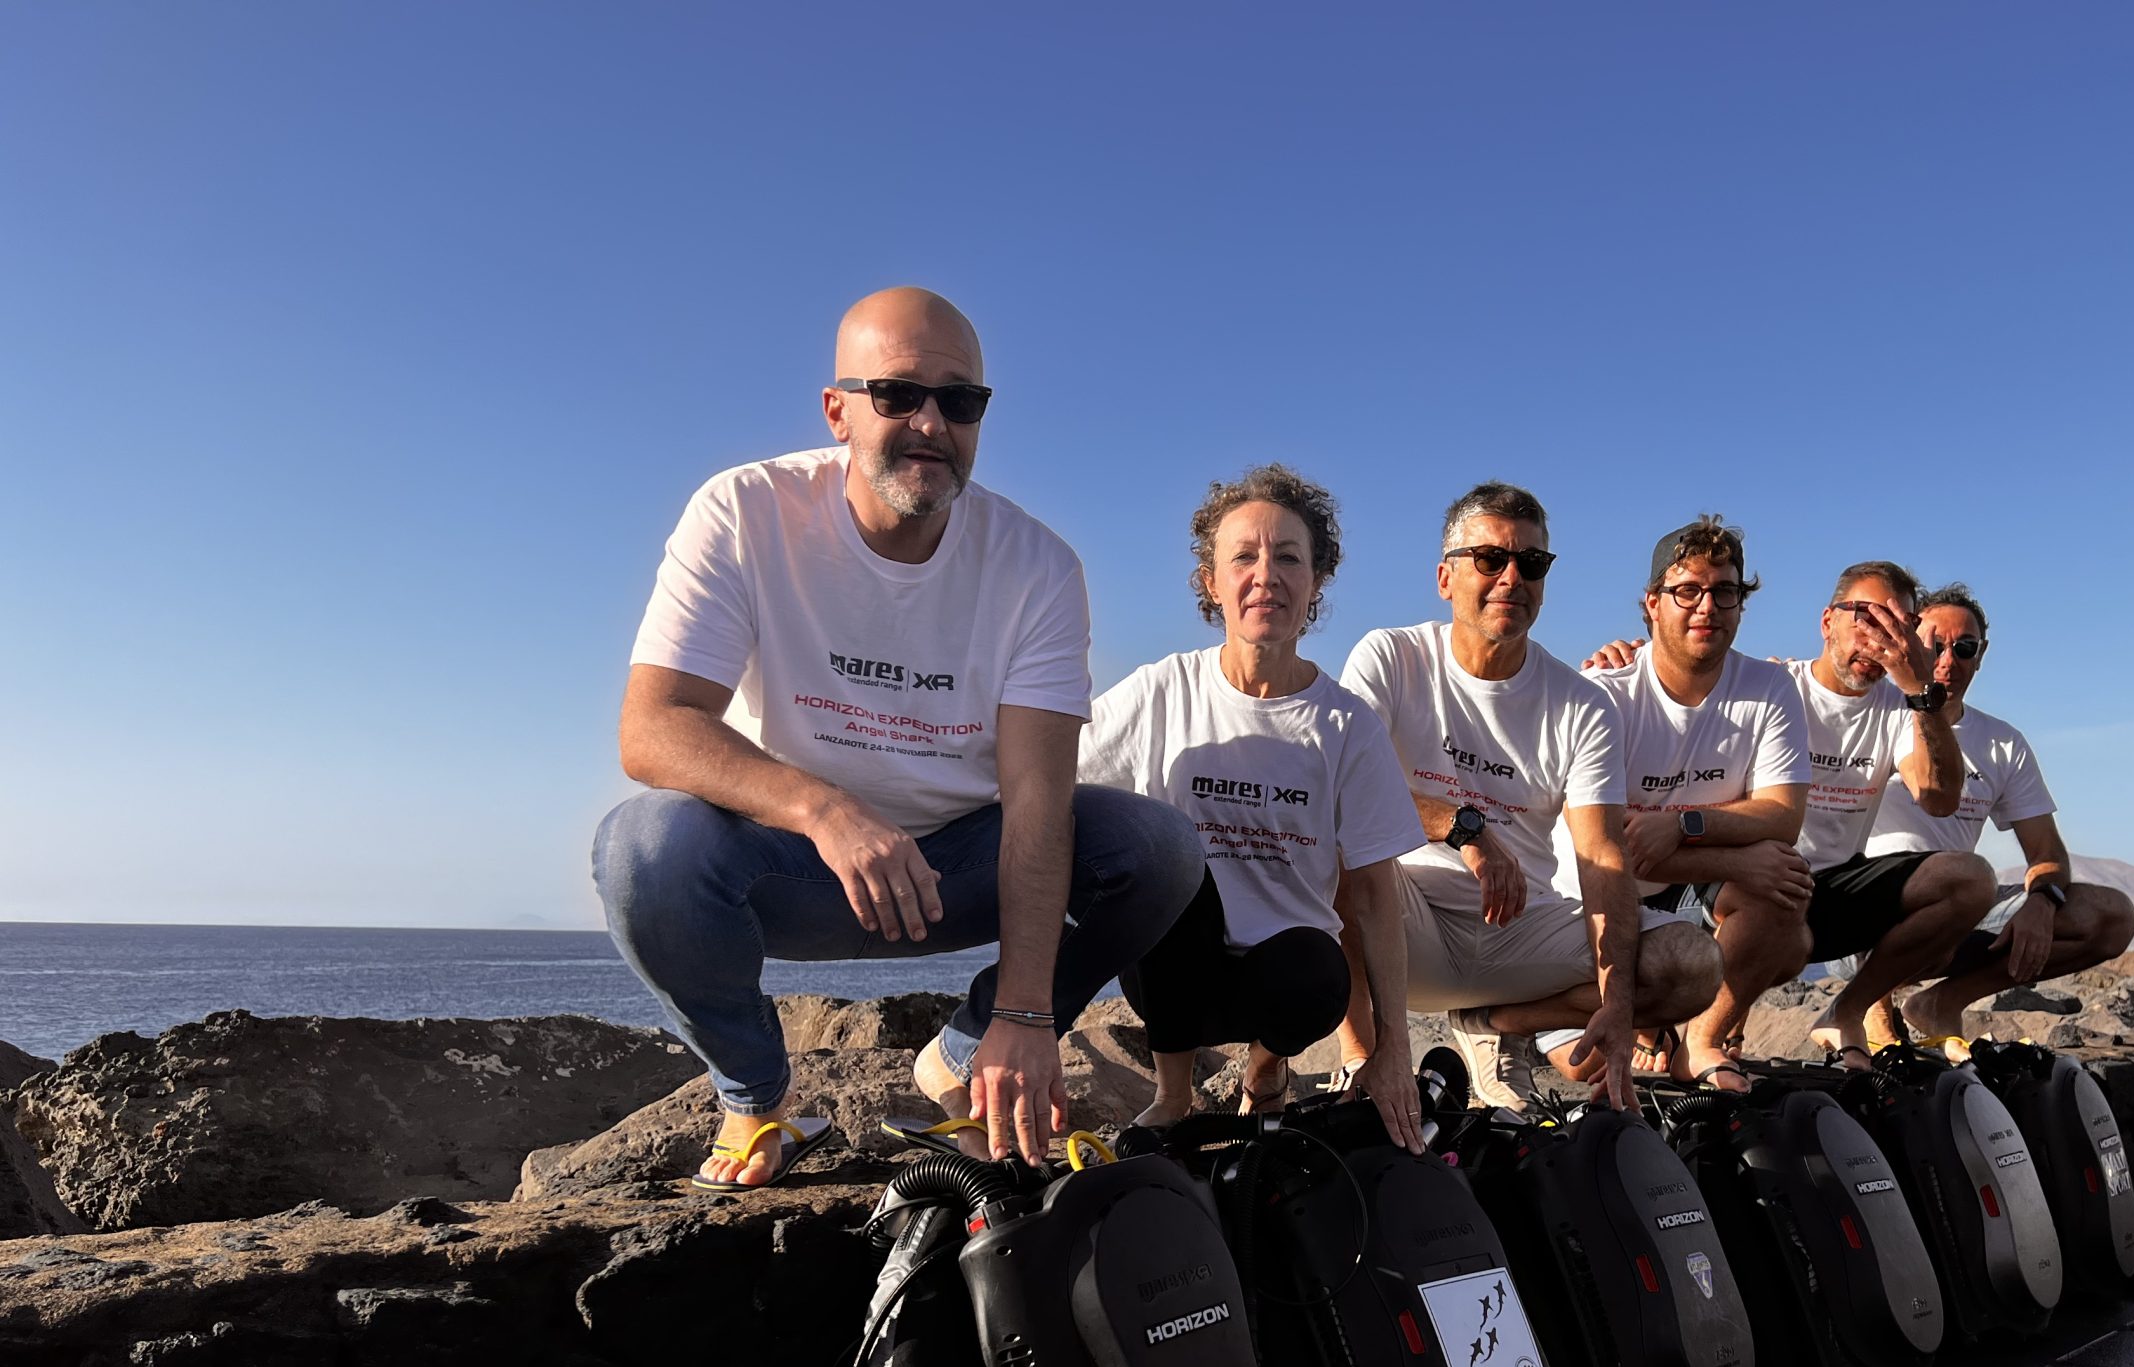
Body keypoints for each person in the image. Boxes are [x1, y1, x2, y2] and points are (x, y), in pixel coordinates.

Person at [594, 287, 1203, 1180]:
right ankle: (758, 1102)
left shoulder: (1037, 566)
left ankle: (960, 1059)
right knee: (642, 849)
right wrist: (823, 809)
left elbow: (1039, 800)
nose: (929, 423)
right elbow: (653, 730)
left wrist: (1026, 1015)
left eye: (959, 402)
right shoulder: (744, 511)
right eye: (897, 396)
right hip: (793, 866)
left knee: (1157, 848)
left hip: (959, 872)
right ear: (838, 411)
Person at [1334, 482, 1721, 1112]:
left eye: (1531, 563)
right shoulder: (1391, 658)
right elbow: (1351, 800)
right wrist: (1466, 829)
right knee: (1328, 850)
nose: (1512, 577)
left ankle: (1492, 1025)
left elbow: (1602, 855)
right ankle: (1364, 1061)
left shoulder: (1582, 704)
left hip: (1519, 932)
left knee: (1691, 964)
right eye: (1490, 560)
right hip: (1405, 927)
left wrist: (1620, 1005)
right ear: (1444, 577)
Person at [1079, 465, 1428, 1151]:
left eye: (1288, 558)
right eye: (1243, 556)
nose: (1265, 574)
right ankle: (1172, 1093)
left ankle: (1265, 1072)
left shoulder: (1346, 726)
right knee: (1163, 864)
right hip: (1172, 970)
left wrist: (1393, 1050)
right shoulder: (1162, 691)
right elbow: (1050, 776)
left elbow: (1377, 900)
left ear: (1316, 584)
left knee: (1317, 968)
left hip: (1285, 978)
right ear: (1212, 583)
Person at [1574, 516, 1811, 1089]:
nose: (1707, 606)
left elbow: (1783, 813)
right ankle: (1495, 1020)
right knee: (1583, 1071)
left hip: (1685, 877)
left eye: (1724, 591)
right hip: (1600, 890)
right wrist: (1733, 859)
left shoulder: (1770, 687)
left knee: (1785, 905)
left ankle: (1700, 1041)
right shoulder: (1606, 693)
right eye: (1688, 590)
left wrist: (1683, 823)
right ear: (1653, 604)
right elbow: (1613, 847)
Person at [1859, 583, 2134, 1047]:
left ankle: (1941, 1002)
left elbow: (2047, 852)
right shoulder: (1872, 713)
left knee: (2112, 917)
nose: (1949, 660)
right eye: (1935, 644)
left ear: (1981, 655)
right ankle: (1870, 1004)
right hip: (1867, 913)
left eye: (1964, 648)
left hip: (1956, 907)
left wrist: (2041, 904)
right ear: (1909, 640)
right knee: (1949, 886)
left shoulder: (2001, 743)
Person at [1780, 562, 1998, 1064]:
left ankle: (1847, 1010)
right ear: (1827, 621)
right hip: (1755, 890)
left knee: (1969, 878)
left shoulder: (1900, 707)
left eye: (1895, 624)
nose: (1878, 637)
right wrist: (1629, 655)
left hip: (1834, 892)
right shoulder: (1775, 685)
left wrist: (1921, 692)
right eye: (1865, 617)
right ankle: (1707, 1033)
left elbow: (1939, 797)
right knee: (1760, 879)